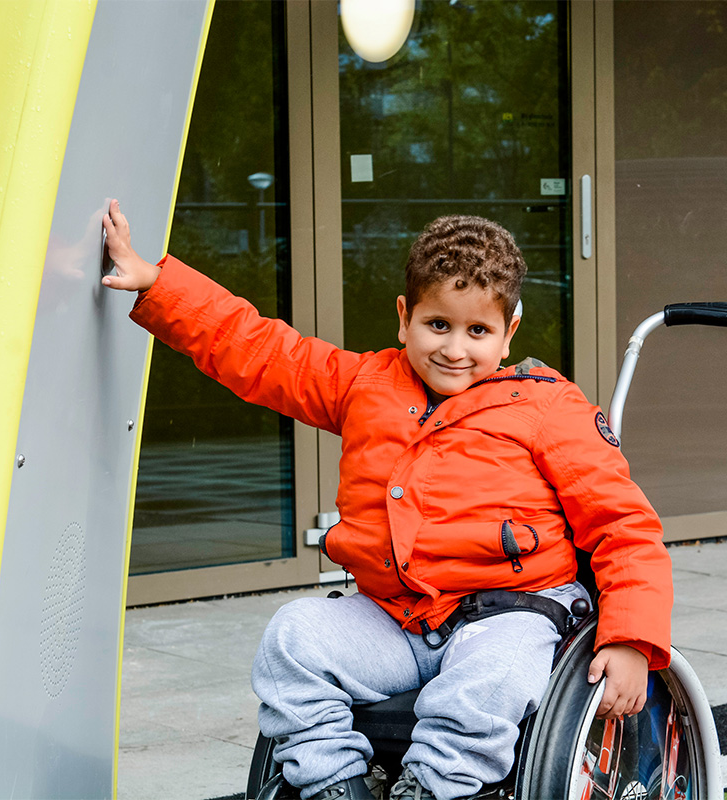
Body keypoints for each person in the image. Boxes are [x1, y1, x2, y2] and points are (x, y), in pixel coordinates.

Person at [102, 199, 672, 800]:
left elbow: (624, 527)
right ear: (405, 318)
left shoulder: (548, 408)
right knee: (294, 637)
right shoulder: (363, 385)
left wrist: (631, 641)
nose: (455, 348)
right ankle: (333, 783)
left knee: (487, 682)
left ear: (508, 334)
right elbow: (262, 351)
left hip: (514, 612)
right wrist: (158, 283)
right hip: (397, 618)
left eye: (478, 331)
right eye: (438, 325)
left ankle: (433, 787)